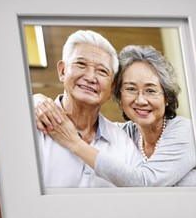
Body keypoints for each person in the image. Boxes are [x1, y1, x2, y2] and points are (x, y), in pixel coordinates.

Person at [35, 44, 196, 187]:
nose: (141, 100)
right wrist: (37, 102)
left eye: (150, 90)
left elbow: (146, 183)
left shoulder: (185, 130)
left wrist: (74, 142)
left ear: (166, 97)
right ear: (119, 95)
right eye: (131, 89)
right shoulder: (124, 134)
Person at [35, 30, 141, 187]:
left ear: (112, 87)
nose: (91, 78)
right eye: (81, 64)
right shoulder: (33, 125)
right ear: (62, 71)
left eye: (102, 71)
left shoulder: (124, 143)